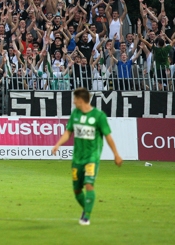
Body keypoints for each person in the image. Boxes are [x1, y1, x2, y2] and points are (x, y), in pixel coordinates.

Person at [52, 87, 122, 226]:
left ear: (80, 100)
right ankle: (86, 208)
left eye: (75, 99)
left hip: (92, 157)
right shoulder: (75, 114)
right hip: (78, 158)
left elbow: (108, 136)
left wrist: (116, 154)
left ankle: (86, 216)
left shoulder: (98, 116)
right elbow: (68, 132)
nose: (73, 102)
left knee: (89, 184)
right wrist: (58, 144)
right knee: (77, 189)